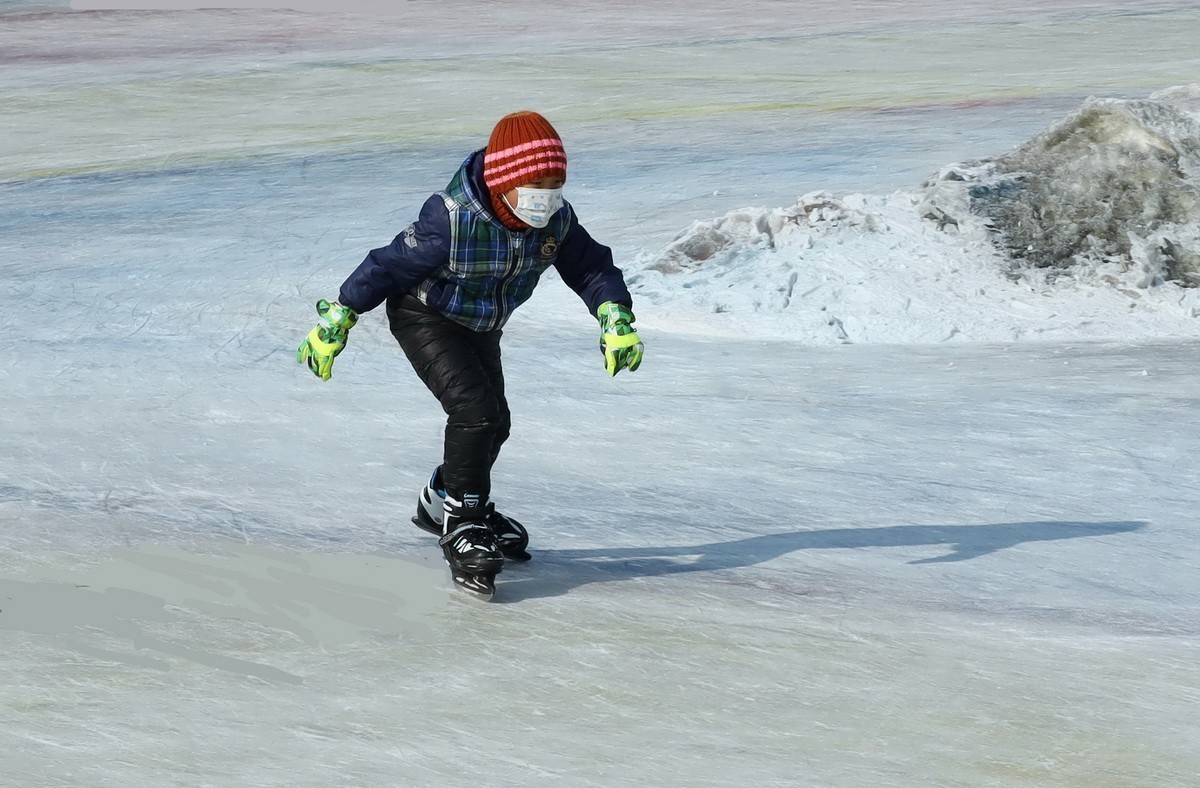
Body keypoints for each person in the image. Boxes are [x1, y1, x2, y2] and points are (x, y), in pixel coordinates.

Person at [297, 111, 644, 599]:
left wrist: (614, 314)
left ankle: (443, 498)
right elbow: (387, 266)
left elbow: (590, 267)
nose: (548, 194)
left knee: (495, 421)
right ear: (504, 182)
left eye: (556, 182)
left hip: (482, 323)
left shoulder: (557, 222)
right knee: (475, 413)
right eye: (536, 183)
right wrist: (339, 317)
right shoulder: (451, 218)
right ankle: (463, 521)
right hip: (426, 317)